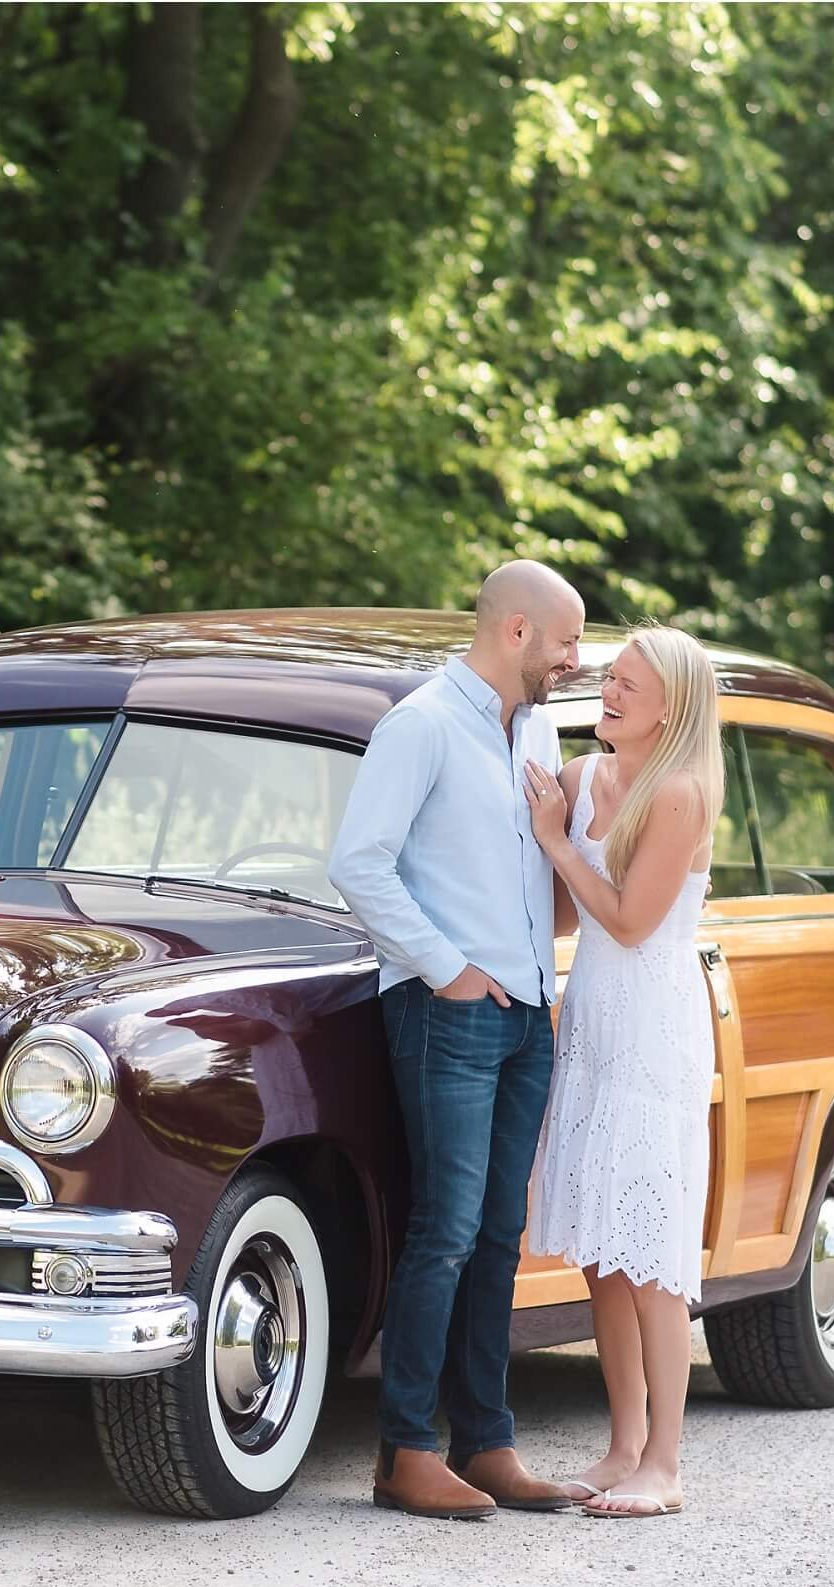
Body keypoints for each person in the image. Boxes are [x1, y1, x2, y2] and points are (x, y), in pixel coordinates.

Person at [326, 560, 587, 1520]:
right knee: (443, 1228)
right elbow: (357, 861)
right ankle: (405, 1450)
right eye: (564, 642)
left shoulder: (539, 728)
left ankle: (488, 1441)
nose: (573, 660)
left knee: (497, 1234)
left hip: (526, 1014)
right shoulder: (423, 723)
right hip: (450, 1011)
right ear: (515, 632)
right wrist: (447, 968)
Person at [520, 625, 724, 1521]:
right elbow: (565, 919)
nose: (607, 690)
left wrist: (558, 844)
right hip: (595, 1023)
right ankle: (623, 1445)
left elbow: (633, 922)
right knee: (604, 1252)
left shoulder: (676, 792)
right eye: (608, 676)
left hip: (654, 1030)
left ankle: (667, 1464)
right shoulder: (582, 777)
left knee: (653, 1261)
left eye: (628, 684)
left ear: (669, 707)